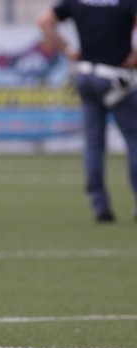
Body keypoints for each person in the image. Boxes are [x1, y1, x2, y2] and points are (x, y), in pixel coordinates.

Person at [37, 1, 137, 223]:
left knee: (93, 142)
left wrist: (69, 50)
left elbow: (44, 21)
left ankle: (99, 205)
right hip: (116, 76)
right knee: (134, 138)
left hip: (85, 75)